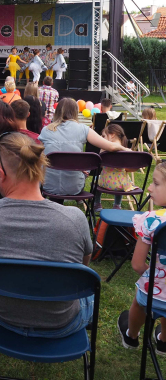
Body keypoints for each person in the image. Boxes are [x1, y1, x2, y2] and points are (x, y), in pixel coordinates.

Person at [0, 132, 94, 337]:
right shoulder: (75, 219)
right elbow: (83, 265)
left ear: (0, 173)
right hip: (62, 322)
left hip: (3, 317)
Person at [117, 162, 166, 351]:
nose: (150, 188)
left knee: (140, 302)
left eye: (156, 183)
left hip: (154, 292)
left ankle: (131, 336)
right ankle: (163, 341)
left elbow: (137, 265)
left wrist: (156, 276)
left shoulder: (152, 220)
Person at [39, 98, 128, 196]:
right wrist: (126, 149)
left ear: (57, 111)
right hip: (74, 187)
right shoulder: (84, 129)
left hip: (48, 185)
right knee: (84, 166)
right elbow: (111, 147)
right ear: (75, 112)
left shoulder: (45, 130)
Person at [92, 123, 137, 211]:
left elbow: (100, 165)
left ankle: (97, 204)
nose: (101, 138)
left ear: (112, 135)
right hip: (122, 185)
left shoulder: (103, 150)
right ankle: (117, 205)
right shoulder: (126, 151)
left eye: (103, 136)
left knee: (95, 180)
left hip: (105, 182)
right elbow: (131, 168)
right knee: (121, 177)